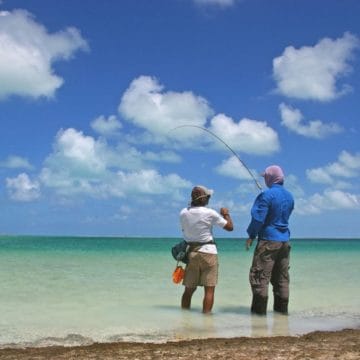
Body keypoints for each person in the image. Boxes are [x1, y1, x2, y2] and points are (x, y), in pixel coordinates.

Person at [246, 165, 294, 315]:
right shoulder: (290, 196)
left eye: (266, 176)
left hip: (268, 241)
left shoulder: (266, 195)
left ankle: (259, 317)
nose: (265, 179)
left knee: (260, 278)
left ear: (270, 177)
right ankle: (282, 315)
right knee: (282, 279)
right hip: (284, 242)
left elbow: (258, 219)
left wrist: (251, 235)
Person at [180, 185, 233, 313]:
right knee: (209, 289)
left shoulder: (183, 212)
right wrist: (226, 214)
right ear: (203, 199)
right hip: (209, 253)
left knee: (188, 290)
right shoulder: (210, 213)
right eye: (208, 197)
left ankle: (184, 320)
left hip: (192, 253)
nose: (209, 199)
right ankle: (207, 321)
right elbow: (230, 227)